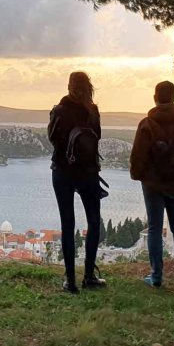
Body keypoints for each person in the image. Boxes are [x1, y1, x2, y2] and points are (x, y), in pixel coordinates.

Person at [129, 81, 174, 290]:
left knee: (154, 229)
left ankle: (156, 277)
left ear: (155, 97)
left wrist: (139, 176)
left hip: (151, 185)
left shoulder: (146, 124)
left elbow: (138, 156)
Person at [47, 72, 108, 294]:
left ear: (69, 86)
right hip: (89, 173)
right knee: (93, 222)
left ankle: (70, 280)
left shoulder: (60, 111)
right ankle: (89, 276)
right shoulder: (93, 111)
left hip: (62, 172)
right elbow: (97, 137)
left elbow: (52, 139)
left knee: (67, 224)